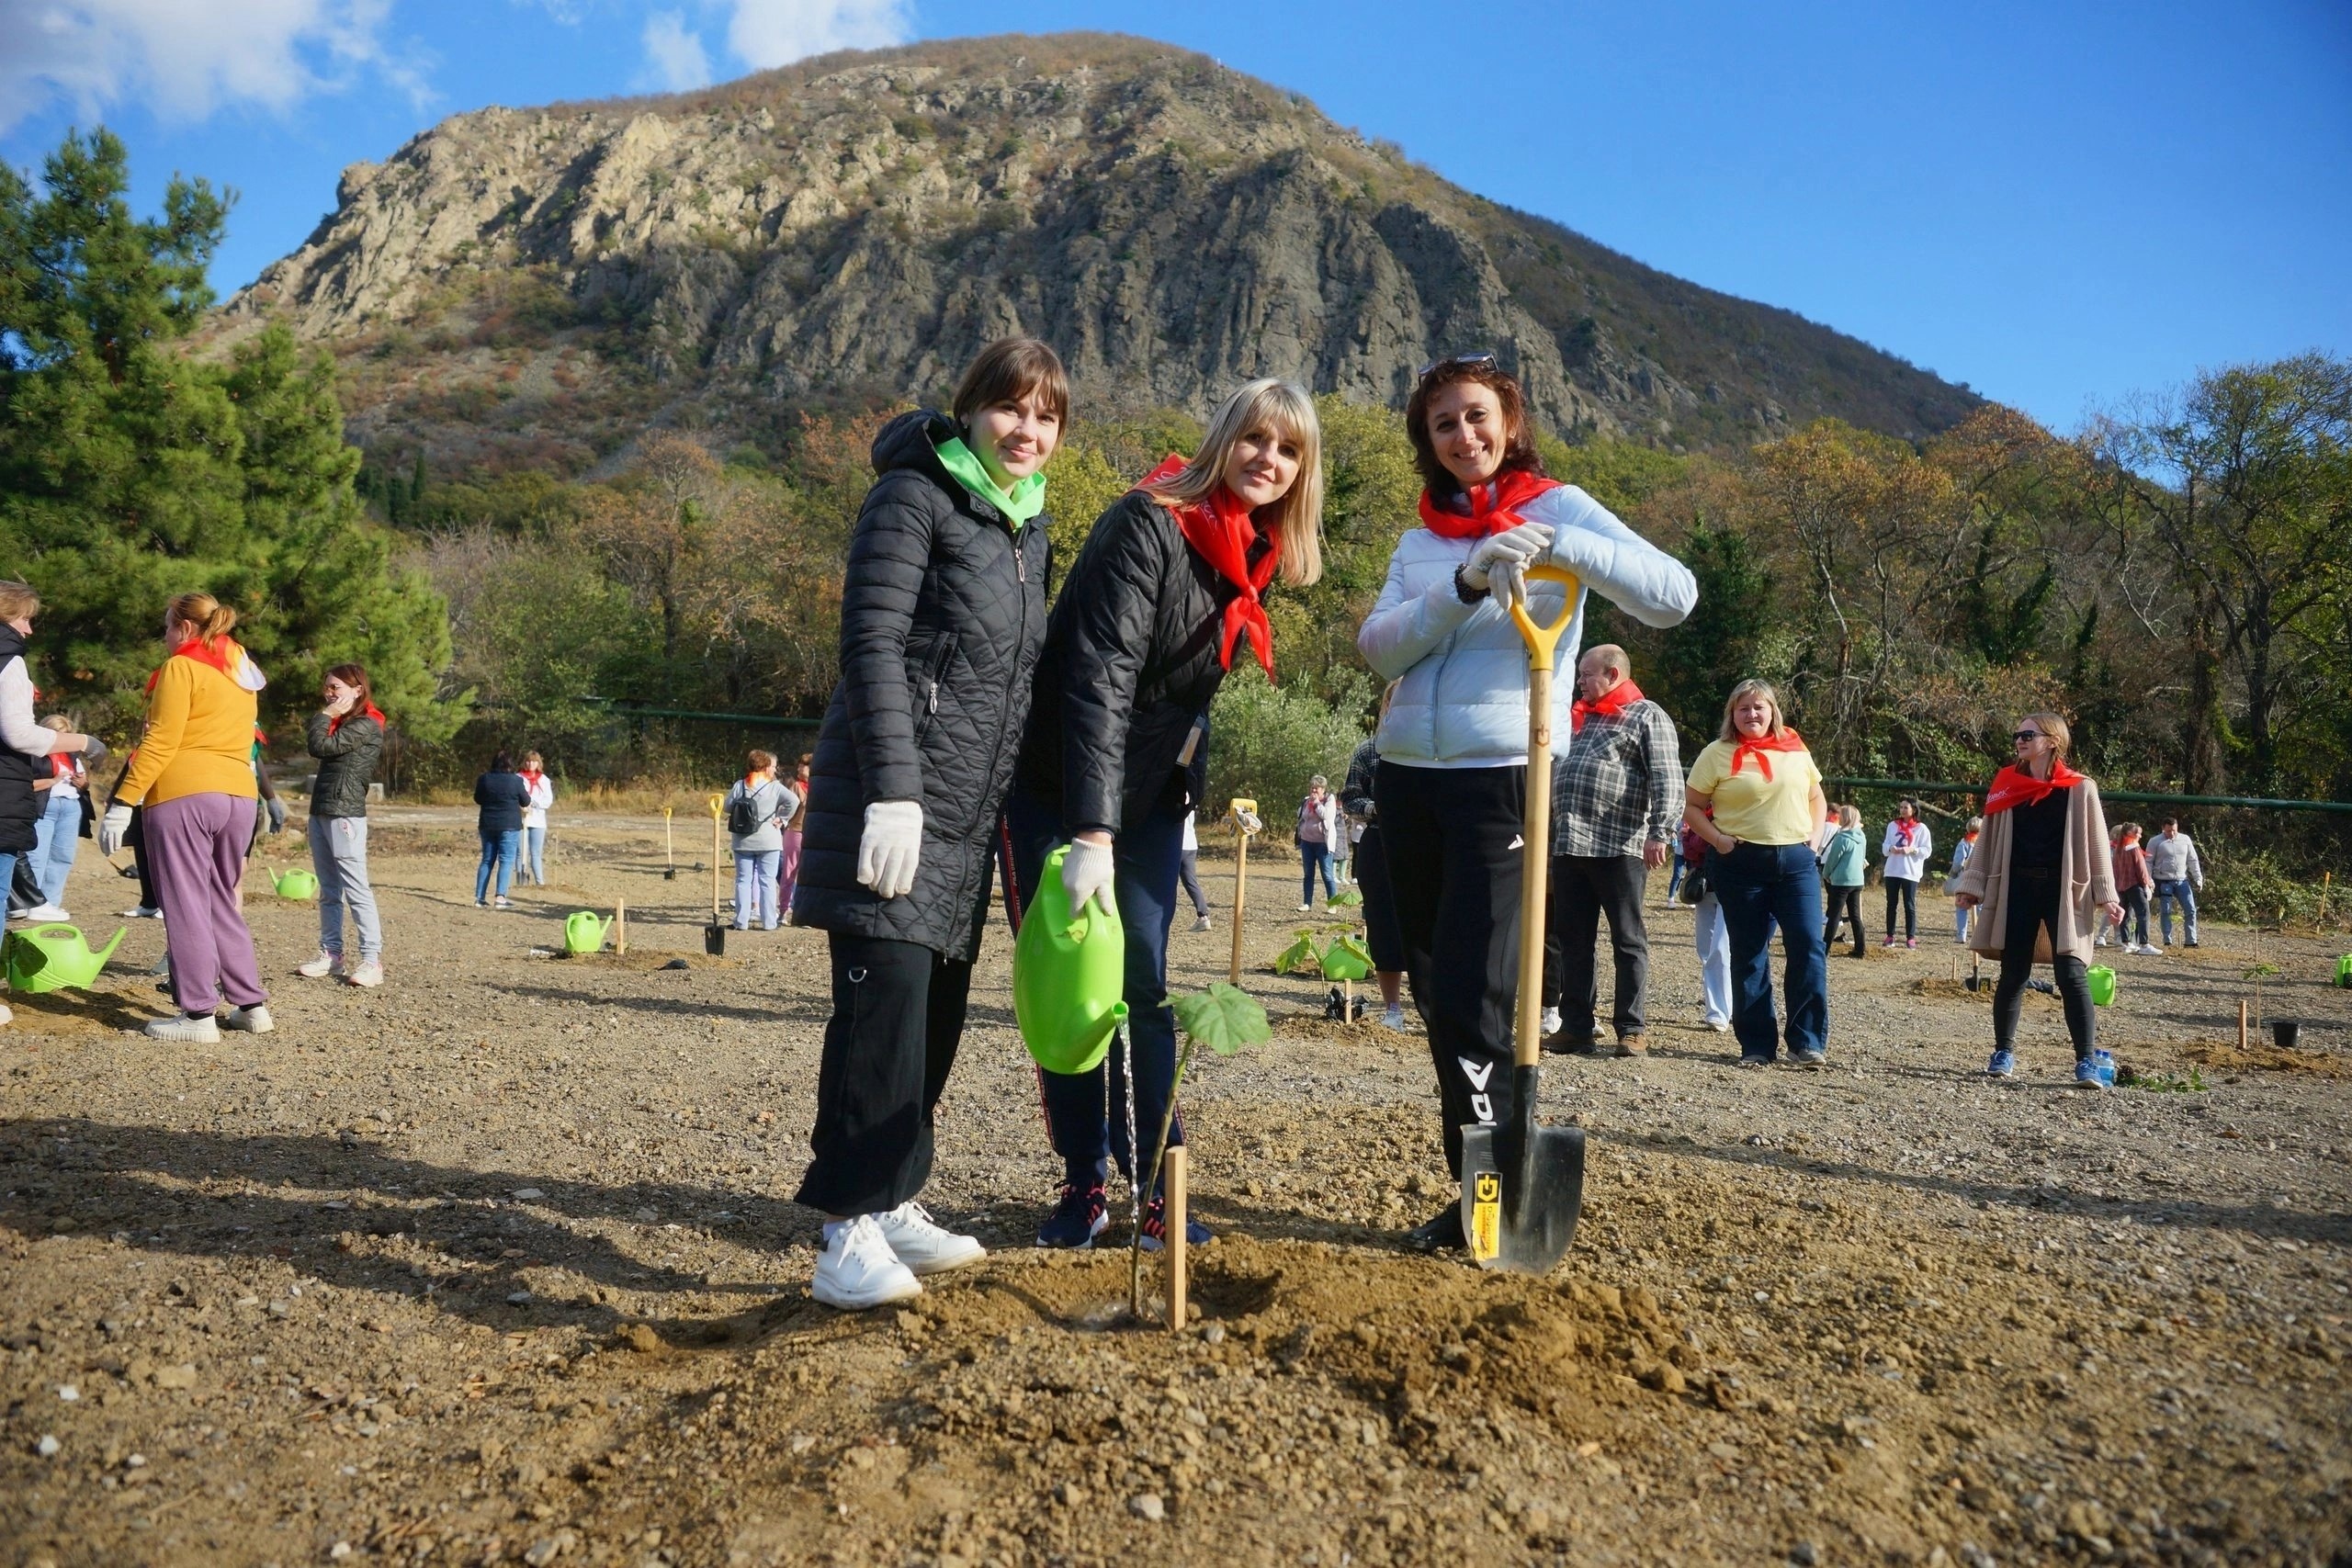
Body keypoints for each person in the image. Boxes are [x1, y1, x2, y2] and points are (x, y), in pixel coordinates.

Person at [1359, 354, 1695, 1251]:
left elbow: (1672, 595)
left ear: (1508, 419)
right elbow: (1381, 648)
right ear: (1425, 442)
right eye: (1442, 425)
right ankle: (1471, 1186)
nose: (1462, 438)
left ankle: (1494, 1197)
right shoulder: (1421, 538)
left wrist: (1563, 547)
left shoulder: (1561, 504)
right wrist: (1463, 583)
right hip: (1407, 776)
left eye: (1476, 417)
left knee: (1478, 991)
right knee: (1436, 989)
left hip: (1502, 773)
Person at [1008, 376, 1322, 1254]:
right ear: (1225, 437)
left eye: (1289, 450)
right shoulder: (1149, 522)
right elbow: (1100, 676)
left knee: (1142, 982)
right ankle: (1083, 1180)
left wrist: (1173, 797)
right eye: (1257, 439)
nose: (1270, 460)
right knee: (1078, 988)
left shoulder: (1248, 551)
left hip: (1142, 798)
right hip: (1055, 791)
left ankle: (1159, 1185)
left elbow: (1183, 703)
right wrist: (1090, 832)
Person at [792, 337, 1063, 1309]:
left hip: (962, 820)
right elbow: (870, 642)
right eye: (1010, 409)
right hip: (892, 806)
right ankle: (844, 1232)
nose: (1026, 431)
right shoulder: (914, 498)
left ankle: (896, 1195)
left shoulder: (1023, 531)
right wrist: (893, 791)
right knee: (880, 1013)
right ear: (970, 409)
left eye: (1046, 417)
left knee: (931, 1020)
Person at [95, 592, 270, 1043]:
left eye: (168, 627)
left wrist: (122, 802)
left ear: (186, 628)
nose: (166, 636)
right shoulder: (240, 668)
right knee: (219, 899)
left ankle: (197, 1014)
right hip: (239, 795)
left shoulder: (180, 667)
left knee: (186, 903)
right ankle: (251, 1004)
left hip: (184, 792)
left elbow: (161, 741)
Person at [1948, 713, 2121, 1087]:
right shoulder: (2008, 785)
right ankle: (2003, 1053)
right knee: (2013, 975)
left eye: (2028, 734)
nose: (2020, 740)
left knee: (2071, 975)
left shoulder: (2080, 788)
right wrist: (1971, 886)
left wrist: (2106, 897)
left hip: (2065, 893)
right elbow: (1988, 839)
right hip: (2017, 889)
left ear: (2053, 741)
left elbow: (2096, 845)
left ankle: (2086, 1061)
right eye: (2017, 735)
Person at [1539, 643, 1682, 1056]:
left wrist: (1661, 831)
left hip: (1619, 846)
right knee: (1572, 939)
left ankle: (1631, 1028)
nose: (1580, 681)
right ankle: (1577, 1025)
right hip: (1569, 845)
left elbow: (1667, 777)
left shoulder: (1646, 715)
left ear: (1613, 674)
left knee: (1627, 938)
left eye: (1587, 674)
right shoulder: (1577, 718)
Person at [1682, 680, 1829, 1068]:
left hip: (1797, 862)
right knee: (1749, 953)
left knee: (1808, 946)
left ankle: (1806, 1041)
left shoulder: (1795, 747)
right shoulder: (1716, 754)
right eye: (1743, 708)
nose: (1752, 715)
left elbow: (1816, 797)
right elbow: (1693, 806)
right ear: (1732, 714)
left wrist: (1813, 842)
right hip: (1740, 863)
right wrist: (1718, 840)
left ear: (1772, 712)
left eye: (1759, 708)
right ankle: (1757, 1045)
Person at [0, 588, 108, 1018]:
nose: (28, 629)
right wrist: (84, 741)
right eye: (24, 619)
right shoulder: (9, 658)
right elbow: (19, 733)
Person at [299, 664, 388, 987]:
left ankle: (371, 960)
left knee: (356, 887)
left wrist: (323, 715)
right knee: (329, 889)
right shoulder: (341, 723)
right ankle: (332, 954)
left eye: (336, 687)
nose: (330, 693)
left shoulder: (366, 724)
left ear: (357, 689)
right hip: (322, 809)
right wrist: (327, 716)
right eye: (327, 687)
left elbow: (320, 747)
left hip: (345, 813)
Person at [1341, 726, 1409, 1031]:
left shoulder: (1436, 748)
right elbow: (1350, 798)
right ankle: (1393, 1009)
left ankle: (1433, 1006)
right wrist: (1376, 808)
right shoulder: (1368, 751)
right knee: (1383, 927)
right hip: (1378, 843)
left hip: (1426, 845)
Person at [23, 714, 89, 920]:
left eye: (67, 734)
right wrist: (52, 781)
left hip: (70, 806)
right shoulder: (34, 754)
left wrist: (83, 783)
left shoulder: (73, 756)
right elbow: (25, 785)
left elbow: (86, 784)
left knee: (63, 857)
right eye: (59, 734)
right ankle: (32, 903)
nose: (64, 739)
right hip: (46, 806)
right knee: (37, 856)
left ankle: (51, 903)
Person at [725, 750, 797, 931]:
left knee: (743, 880)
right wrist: (782, 818)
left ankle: (741, 921)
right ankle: (769, 922)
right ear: (766, 767)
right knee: (767, 881)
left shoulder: (740, 785)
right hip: (769, 840)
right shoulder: (774, 787)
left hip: (742, 841)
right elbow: (794, 801)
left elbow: (727, 807)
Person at [1683, 816, 1732, 1032]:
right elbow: (1690, 845)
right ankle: (1717, 1007)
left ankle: (1720, 1011)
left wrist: (1707, 836)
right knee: (1705, 950)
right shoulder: (1701, 810)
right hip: (1704, 885)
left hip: (1733, 885)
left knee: (1721, 950)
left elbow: (1697, 842)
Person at [472, 752, 529, 908]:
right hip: (509, 825)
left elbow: (477, 798)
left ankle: (479, 897)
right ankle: (500, 897)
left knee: (487, 860)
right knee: (506, 860)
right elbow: (526, 800)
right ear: (510, 765)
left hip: (488, 823)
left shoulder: (484, 779)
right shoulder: (516, 780)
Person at [1880, 798, 1933, 949]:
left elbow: (1927, 851)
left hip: (1910, 872)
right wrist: (1891, 848)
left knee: (1909, 905)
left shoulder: (1921, 829)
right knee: (1891, 904)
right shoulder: (1892, 825)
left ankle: (1910, 937)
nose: (1902, 810)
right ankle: (1890, 935)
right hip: (1892, 870)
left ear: (1914, 810)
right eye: (1901, 807)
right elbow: (1885, 846)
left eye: (1906, 807)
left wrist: (1913, 849)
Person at [1819, 804, 1868, 958]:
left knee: (1834, 915)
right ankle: (1860, 949)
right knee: (1855, 916)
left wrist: (1826, 874)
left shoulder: (1842, 838)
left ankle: (1824, 949)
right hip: (1857, 880)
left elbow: (1833, 860)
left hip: (1841, 881)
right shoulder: (1861, 836)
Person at [2147, 818, 2203, 948]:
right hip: (2163, 880)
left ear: (2177, 828)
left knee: (2191, 909)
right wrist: (2149, 879)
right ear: (2163, 829)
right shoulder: (2155, 841)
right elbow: (2148, 862)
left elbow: (2192, 860)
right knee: (2166, 911)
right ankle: (2167, 939)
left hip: (2181, 880)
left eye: (2173, 830)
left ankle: (2191, 940)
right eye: (2168, 831)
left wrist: (2198, 878)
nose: (2171, 834)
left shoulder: (2185, 840)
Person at [2111, 822, 2156, 955]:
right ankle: (2144, 944)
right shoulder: (2134, 848)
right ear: (2131, 834)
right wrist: (2146, 885)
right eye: (2139, 833)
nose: (2140, 836)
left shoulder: (2119, 847)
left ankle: (2126, 942)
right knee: (2143, 914)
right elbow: (2141, 869)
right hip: (2134, 885)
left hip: (2121, 886)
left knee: (2125, 914)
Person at [1295, 774, 1339, 910]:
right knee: (1308, 874)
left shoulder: (1329, 800)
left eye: (1316, 789)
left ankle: (1333, 904)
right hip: (1307, 842)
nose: (1313, 791)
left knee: (1327, 874)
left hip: (1323, 844)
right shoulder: (1306, 801)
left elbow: (1326, 816)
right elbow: (1301, 816)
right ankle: (1307, 903)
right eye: (1312, 788)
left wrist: (1317, 804)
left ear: (1323, 789)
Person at [777, 752, 811, 921]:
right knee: (789, 873)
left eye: (803, 766)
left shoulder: (818, 787)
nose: (799, 768)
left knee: (809, 876)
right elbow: (786, 808)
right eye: (799, 765)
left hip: (813, 835)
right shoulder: (797, 786)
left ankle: (805, 912)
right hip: (795, 833)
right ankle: (784, 910)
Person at [518, 751, 555, 886]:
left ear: (538, 763)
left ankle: (540, 881)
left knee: (536, 852)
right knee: (521, 852)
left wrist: (533, 803)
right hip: (521, 820)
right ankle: (521, 881)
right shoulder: (518, 778)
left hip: (538, 820)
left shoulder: (543, 780)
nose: (530, 764)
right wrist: (522, 805)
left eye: (534, 761)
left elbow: (547, 800)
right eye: (528, 761)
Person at [1178, 809, 1212, 932]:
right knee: (1191, 882)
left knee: (1168, 882)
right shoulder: (1191, 796)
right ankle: (1203, 916)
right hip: (1191, 844)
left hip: (1177, 843)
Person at [1949, 817, 1982, 943]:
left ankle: (1961, 935)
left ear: (1968, 828)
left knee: (1962, 906)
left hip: (1965, 879)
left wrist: (1953, 873)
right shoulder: (1984, 843)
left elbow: (1958, 863)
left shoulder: (1964, 843)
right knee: (1981, 907)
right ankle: (1980, 935)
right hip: (1980, 879)